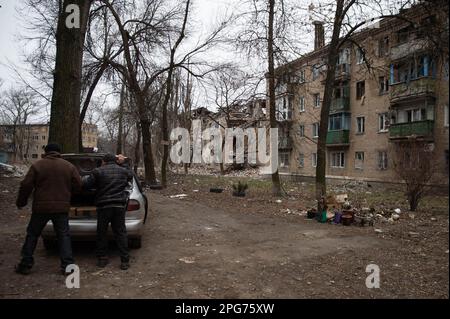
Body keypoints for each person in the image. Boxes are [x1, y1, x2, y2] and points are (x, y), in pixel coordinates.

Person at [15, 143, 82, 275]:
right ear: (59, 152)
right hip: (61, 208)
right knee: (64, 236)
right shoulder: (68, 166)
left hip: (41, 208)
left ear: (46, 152)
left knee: (32, 234)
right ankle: (67, 266)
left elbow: (26, 185)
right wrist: (69, 195)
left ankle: (25, 264)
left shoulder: (37, 165)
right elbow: (78, 184)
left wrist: (21, 202)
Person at [83, 153, 133, 270]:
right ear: (116, 161)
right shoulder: (123, 171)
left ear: (103, 161)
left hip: (104, 206)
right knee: (120, 233)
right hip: (119, 206)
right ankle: (124, 261)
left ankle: (102, 259)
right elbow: (130, 176)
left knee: (102, 233)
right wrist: (124, 163)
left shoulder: (98, 171)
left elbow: (87, 185)